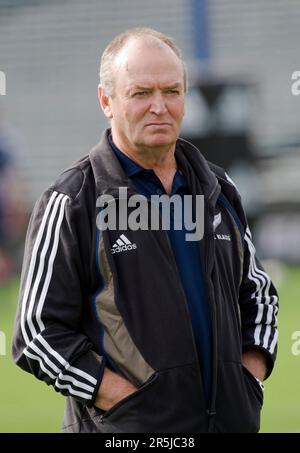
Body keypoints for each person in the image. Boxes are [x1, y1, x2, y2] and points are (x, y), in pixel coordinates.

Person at [12, 27, 278, 433]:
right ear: (107, 100)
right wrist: (120, 399)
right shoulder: (73, 199)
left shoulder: (218, 188)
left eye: (172, 91)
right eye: (141, 93)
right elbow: (36, 332)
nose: (160, 107)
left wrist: (248, 377)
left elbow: (257, 292)